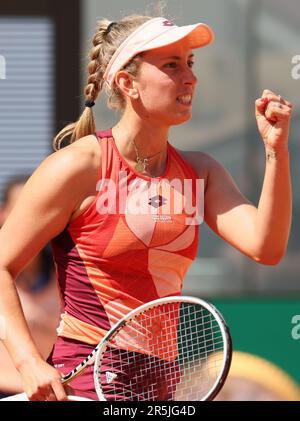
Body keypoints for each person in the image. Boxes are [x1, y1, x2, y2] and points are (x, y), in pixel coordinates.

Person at [0, 14, 293, 401]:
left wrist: (276, 150)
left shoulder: (201, 172)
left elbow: (266, 247)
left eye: (189, 64)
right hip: (87, 384)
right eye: (171, 65)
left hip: (160, 388)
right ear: (127, 83)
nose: (189, 77)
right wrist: (28, 361)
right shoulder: (79, 166)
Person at [0, 176, 61, 397]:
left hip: (49, 393)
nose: (28, 219)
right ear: (3, 213)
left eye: (37, 209)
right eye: (19, 210)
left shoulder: (66, 275)